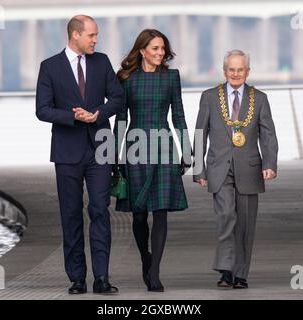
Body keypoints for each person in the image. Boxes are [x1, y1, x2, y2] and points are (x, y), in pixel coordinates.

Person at [35, 15, 123, 295]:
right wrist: (74, 117)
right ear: (75, 35)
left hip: (99, 148)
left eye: (96, 35)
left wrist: (97, 114)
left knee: (100, 210)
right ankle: (76, 278)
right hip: (67, 151)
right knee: (70, 214)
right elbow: (42, 109)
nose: (96, 40)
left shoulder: (102, 61)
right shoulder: (49, 67)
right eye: (91, 35)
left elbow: (118, 98)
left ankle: (102, 278)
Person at [113, 29, 191, 292]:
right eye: (155, 48)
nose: (160, 53)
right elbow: (121, 120)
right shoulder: (126, 78)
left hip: (164, 146)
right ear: (142, 50)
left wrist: (187, 151)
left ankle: (155, 271)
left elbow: (178, 116)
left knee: (160, 211)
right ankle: (145, 259)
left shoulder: (171, 77)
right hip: (135, 148)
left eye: (162, 49)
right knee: (138, 214)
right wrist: (114, 155)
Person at [193, 49, 278, 289]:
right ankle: (226, 270)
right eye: (231, 69)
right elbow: (201, 134)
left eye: (240, 69)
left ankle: (241, 274)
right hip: (219, 169)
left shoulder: (259, 98)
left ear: (247, 72)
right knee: (226, 216)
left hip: (249, 169)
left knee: (245, 223)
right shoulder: (209, 96)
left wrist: (270, 164)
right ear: (224, 71)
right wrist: (199, 170)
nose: (236, 74)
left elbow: (268, 135)